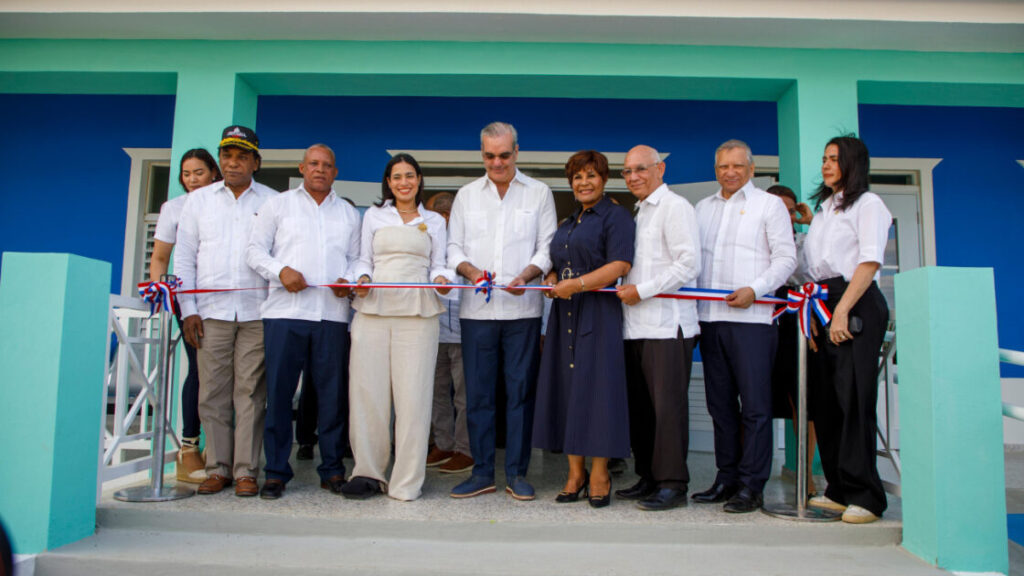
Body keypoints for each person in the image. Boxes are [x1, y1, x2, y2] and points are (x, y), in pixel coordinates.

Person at [447, 122, 557, 501]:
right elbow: (453, 249)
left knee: (520, 394)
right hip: (477, 312)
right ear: (482, 154)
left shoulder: (539, 193)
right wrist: (472, 272)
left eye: (504, 155)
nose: (497, 162)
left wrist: (529, 273)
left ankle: (517, 473)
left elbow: (548, 247)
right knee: (478, 396)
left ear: (517, 151)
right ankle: (481, 473)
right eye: (490, 155)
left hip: (523, 311)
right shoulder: (465, 196)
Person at [246, 144, 361, 500]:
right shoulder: (278, 205)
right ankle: (277, 472)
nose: (320, 170)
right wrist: (280, 271)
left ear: (335, 172)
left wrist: (350, 280)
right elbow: (254, 251)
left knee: (332, 397)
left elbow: (357, 259)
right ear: (302, 168)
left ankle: (331, 470)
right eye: (313, 164)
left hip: (332, 316)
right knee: (279, 396)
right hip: (285, 314)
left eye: (327, 165)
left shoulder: (348, 213)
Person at [691, 140, 796, 514]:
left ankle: (752, 486)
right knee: (720, 406)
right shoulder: (702, 208)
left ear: (751, 169)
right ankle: (727, 478)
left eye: (737, 166)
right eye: (723, 167)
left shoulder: (768, 205)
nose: (730, 172)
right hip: (711, 319)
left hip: (753, 321)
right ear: (716, 169)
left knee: (754, 407)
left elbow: (787, 258)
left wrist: (756, 289)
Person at [343, 153, 453, 501]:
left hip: (417, 316)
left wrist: (441, 279)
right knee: (368, 395)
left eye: (409, 175)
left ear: (419, 179)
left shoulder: (434, 220)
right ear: (387, 183)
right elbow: (363, 259)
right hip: (373, 311)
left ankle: (406, 482)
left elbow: (442, 265)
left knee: (413, 399)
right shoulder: (373, 216)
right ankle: (368, 472)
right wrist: (361, 277)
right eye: (396, 177)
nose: (403, 182)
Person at [174, 125, 276, 497]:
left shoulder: (271, 201)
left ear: (256, 162)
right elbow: (184, 258)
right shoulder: (198, 202)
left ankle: (247, 470)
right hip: (210, 312)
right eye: (228, 156)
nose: (234, 163)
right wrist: (188, 308)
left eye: (242, 156)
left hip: (256, 312)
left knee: (249, 393)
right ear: (220, 161)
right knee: (212, 392)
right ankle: (217, 467)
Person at [533, 150, 634, 508]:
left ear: (603, 179)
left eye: (591, 175)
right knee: (567, 391)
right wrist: (550, 276)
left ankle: (599, 474)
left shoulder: (616, 216)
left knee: (598, 392)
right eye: (577, 177)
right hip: (564, 317)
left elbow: (619, 264)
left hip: (598, 314)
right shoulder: (567, 222)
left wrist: (575, 285)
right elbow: (559, 263)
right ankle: (574, 473)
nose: (584, 182)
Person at [804, 135, 892, 525]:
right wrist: (812, 316)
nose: (826, 165)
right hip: (822, 302)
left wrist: (841, 312)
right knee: (827, 402)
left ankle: (866, 496)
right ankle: (838, 489)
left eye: (834, 159)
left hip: (853, 301)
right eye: (824, 158)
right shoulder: (823, 210)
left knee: (854, 398)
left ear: (853, 164)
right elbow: (812, 269)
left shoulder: (868, 205)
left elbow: (869, 262)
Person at [614, 145, 701, 511]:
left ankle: (672, 483)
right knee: (643, 409)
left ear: (660, 169)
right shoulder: (639, 212)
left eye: (641, 169)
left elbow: (688, 264)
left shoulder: (675, 206)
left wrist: (643, 291)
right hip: (635, 327)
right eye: (627, 171)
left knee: (667, 410)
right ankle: (648, 476)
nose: (633, 176)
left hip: (667, 325)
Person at [150, 148, 221, 484]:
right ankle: (188, 448)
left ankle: (218, 449)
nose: (192, 179)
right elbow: (161, 257)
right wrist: (159, 295)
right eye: (187, 173)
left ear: (213, 173)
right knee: (198, 369)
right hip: (188, 300)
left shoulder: (224, 203)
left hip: (225, 301)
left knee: (226, 377)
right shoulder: (174, 208)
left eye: (199, 172)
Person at [766, 184, 818, 495]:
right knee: (755, 400)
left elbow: (817, 278)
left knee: (802, 400)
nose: (783, 215)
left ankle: (805, 473)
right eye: (777, 209)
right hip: (761, 316)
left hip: (796, 319)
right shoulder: (754, 240)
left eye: (788, 210)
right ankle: (750, 472)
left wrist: (811, 223)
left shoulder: (805, 242)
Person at [425, 191, 474, 475]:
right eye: (436, 214)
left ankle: (465, 449)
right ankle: (443, 444)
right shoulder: (427, 243)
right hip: (433, 328)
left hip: (465, 331)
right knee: (436, 392)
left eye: (445, 214)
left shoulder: (466, 244)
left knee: (464, 396)